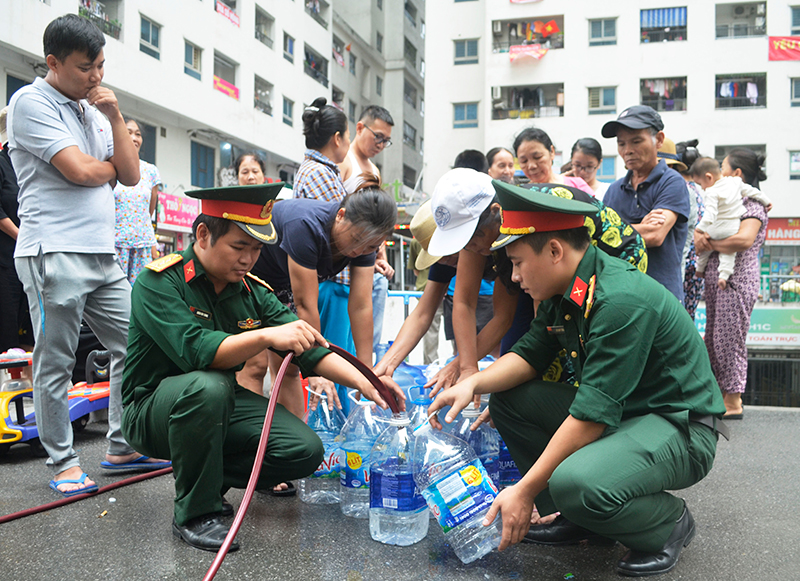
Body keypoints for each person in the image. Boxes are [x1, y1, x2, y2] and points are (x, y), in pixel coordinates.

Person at [427, 180, 728, 578]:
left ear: (554, 251)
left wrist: (524, 489)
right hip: (627, 416)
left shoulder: (619, 299)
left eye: (517, 262)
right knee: (509, 401)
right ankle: (581, 519)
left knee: (574, 483)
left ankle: (666, 523)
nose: (514, 277)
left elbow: (591, 416)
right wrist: (472, 383)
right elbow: (529, 354)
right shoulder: (569, 288)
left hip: (676, 426)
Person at [121, 184, 404, 552]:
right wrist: (268, 336)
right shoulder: (158, 282)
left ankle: (203, 478)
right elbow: (199, 352)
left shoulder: (251, 291)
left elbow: (310, 349)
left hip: (216, 406)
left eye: (257, 249)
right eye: (239, 247)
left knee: (303, 450)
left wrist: (369, 383)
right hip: (153, 411)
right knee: (208, 385)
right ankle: (195, 512)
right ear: (203, 235)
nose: (249, 259)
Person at [8, 14, 168, 497]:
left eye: (100, 66)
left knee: (138, 344)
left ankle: (121, 445)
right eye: (85, 68)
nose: (96, 77)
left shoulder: (94, 112)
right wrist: (109, 168)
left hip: (102, 255)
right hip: (52, 251)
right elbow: (80, 171)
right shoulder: (29, 103)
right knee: (54, 361)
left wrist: (116, 116)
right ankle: (62, 461)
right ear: (53, 63)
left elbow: (133, 175)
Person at [428, 129, 646, 392]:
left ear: (495, 216)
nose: (472, 250)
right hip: (563, 269)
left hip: (615, 253)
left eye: (474, 240)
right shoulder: (487, 231)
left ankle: (595, 401)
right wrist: (466, 368)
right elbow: (475, 306)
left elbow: (542, 317)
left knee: (581, 343)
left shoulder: (525, 223)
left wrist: (492, 378)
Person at [250, 180, 396, 416]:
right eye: (357, 239)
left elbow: (360, 305)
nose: (360, 250)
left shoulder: (364, 244)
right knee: (254, 365)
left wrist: (367, 371)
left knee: (289, 367)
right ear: (341, 215)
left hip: (283, 283)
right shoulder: (305, 226)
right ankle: (251, 438)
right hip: (253, 276)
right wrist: (317, 369)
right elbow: (305, 304)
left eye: (371, 246)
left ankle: (293, 445)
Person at [695, 149, 769, 420]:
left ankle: (733, 400)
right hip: (718, 281)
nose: (718, 173)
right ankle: (719, 395)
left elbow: (744, 240)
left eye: (722, 167)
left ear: (736, 174)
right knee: (713, 338)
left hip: (736, 281)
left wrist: (709, 243)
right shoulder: (730, 201)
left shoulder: (752, 205)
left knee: (730, 340)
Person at [602, 105, 690, 303]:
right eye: (621, 143)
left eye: (636, 141)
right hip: (621, 297)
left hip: (662, 299)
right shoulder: (614, 190)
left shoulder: (671, 181)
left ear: (658, 140)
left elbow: (654, 235)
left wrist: (611, 230)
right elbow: (598, 238)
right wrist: (640, 226)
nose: (628, 150)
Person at [336, 105, 395, 353]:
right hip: (344, 264)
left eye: (386, 141)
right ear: (360, 128)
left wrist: (380, 256)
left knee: (367, 339)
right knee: (341, 340)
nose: (380, 144)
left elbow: (378, 223)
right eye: (378, 136)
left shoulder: (374, 171)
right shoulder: (343, 161)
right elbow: (336, 218)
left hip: (366, 261)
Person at [690, 156, 771, 291]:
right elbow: (754, 191)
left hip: (735, 284)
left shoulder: (713, 192)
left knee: (704, 249)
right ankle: (724, 275)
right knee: (728, 253)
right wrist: (767, 201)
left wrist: (700, 233)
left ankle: (699, 269)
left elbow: (742, 240)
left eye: (723, 167)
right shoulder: (736, 184)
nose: (702, 189)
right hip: (732, 227)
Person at [113, 118, 161, 285]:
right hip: (115, 243)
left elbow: (149, 210)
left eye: (138, 134)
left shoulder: (151, 171)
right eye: (128, 133)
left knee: (139, 294)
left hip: (143, 245)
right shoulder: (109, 164)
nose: (134, 138)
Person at [0, 106, 32, 353]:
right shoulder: (2, 162)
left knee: (31, 329)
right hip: (6, 259)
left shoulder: (34, 163)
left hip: (31, 259)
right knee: (8, 326)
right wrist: (24, 237)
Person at [674, 140, 705, 320]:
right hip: (697, 263)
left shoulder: (679, 190)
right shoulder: (700, 190)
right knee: (688, 317)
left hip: (682, 263)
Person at [407, 237, 442, 365]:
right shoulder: (416, 242)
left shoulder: (415, 242)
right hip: (442, 289)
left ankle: (431, 364)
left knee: (431, 331)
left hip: (425, 287)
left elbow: (416, 270)